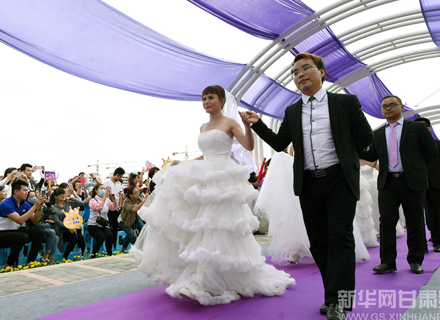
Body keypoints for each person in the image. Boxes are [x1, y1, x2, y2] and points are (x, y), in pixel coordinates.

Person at [133, 84, 295, 306]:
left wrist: (248, 126)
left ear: (221, 101)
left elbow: (247, 145)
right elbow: (206, 155)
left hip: (222, 180)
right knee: (204, 227)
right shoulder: (203, 126)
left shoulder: (230, 122)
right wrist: (185, 162)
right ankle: (204, 277)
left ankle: (200, 281)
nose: (206, 102)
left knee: (217, 226)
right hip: (205, 179)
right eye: (203, 99)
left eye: (210, 98)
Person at [240, 52, 373, 319]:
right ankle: (331, 295)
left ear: (321, 72)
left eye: (305, 69)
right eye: (295, 72)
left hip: (339, 180)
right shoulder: (292, 110)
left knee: (341, 238)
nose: (299, 75)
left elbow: (365, 136)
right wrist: (257, 124)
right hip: (309, 183)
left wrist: (352, 158)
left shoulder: (345, 103)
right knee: (319, 242)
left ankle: (340, 300)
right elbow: (280, 144)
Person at [359, 95, 438, 275]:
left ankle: (416, 260)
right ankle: (387, 262)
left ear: (401, 107)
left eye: (392, 105)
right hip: (388, 183)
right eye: (384, 106)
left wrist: (415, 167)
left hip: (412, 181)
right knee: (386, 222)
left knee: (415, 221)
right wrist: (353, 146)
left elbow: (431, 152)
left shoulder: (416, 128)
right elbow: (372, 157)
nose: (387, 108)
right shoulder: (378, 133)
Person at [414, 117, 440, 253]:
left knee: (436, 213)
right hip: (416, 182)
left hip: (434, 182)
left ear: (429, 129)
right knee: (417, 214)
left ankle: (437, 241)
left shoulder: (439, 145)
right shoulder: (410, 146)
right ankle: (421, 244)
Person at [0, 180, 46, 267]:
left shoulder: (24, 204)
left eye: (27, 190)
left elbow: (35, 219)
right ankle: (9, 264)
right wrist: (34, 206)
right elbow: (20, 220)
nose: (27, 192)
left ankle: (30, 262)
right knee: (22, 236)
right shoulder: (6, 204)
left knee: (39, 233)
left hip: (13, 232)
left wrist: (39, 208)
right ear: (16, 191)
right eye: (24, 190)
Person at [49, 187, 86, 259]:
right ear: (56, 197)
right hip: (62, 230)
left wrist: (70, 198)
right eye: (60, 194)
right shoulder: (53, 208)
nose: (63, 195)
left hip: (72, 228)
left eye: (64, 194)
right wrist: (69, 228)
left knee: (80, 237)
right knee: (74, 239)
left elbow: (81, 203)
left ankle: (82, 255)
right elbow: (57, 221)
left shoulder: (68, 204)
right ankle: (64, 257)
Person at [88, 183, 117, 257]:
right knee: (101, 237)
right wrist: (104, 198)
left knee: (110, 236)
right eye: (101, 189)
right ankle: (93, 255)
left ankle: (109, 254)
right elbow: (97, 208)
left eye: (104, 189)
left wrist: (113, 199)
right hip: (93, 224)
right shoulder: (92, 200)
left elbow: (113, 208)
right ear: (96, 190)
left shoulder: (107, 199)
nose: (103, 190)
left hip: (103, 224)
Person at [119, 186, 146, 252]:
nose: (138, 194)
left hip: (134, 219)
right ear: (130, 195)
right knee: (130, 233)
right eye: (136, 193)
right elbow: (134, 209)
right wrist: (143, 202)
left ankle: (142, 247)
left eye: (138, 192)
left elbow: (145, 205)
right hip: (123, 221)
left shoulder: (138, 199)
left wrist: (146, 199)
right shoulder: (126, 201)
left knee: (144, 230)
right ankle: (123, 249)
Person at [103, 167, 125, 247]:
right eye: (121, 176)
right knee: (110, 225)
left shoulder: (119, 183)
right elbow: (105, 194)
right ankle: (109, 243)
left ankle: (115, 243)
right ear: (117, 174)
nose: (121, 178)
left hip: (116, 206)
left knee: (115, 226)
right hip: (109, 206)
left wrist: (120, 205)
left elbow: (120, 194)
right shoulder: (106, 182)